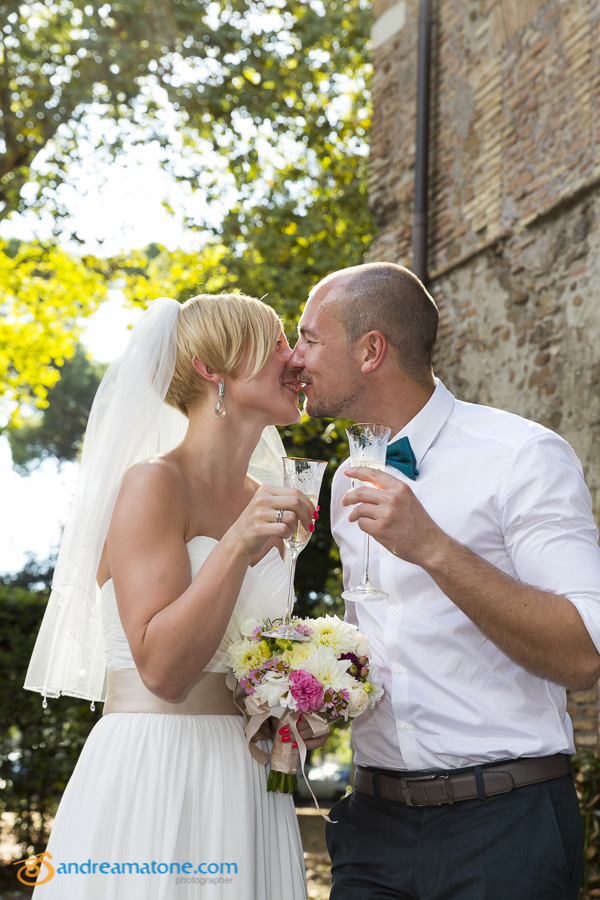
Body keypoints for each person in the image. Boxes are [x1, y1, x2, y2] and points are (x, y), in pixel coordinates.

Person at [287, 261, 600, 900]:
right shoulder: (350, 476)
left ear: (371, 350)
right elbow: (387, 632)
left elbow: (582, 654)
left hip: (504, 827)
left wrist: (432, 547)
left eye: (309, 338)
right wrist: (318, 693)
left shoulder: (522, 457)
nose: (294, 358)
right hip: (371, 825)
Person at [24, 292, 324, 900]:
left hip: (247, 775)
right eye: (275, 342)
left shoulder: (267, 498)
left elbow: (244, 649)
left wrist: (295, 698)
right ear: (213, 370)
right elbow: (161, 670)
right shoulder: (152, 483)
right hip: (157, 765)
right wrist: (239, 543)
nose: (296, 360)